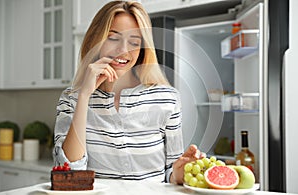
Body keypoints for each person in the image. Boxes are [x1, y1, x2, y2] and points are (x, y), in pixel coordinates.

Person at [53, 0, 204, 184]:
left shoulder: (166, 98)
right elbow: (70, 173)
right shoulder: (72, 98)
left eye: (134, 42)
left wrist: (181, 172)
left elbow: (170, 175)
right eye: (113, 38)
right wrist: (84, 96)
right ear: (96, 40)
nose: (123, 51)